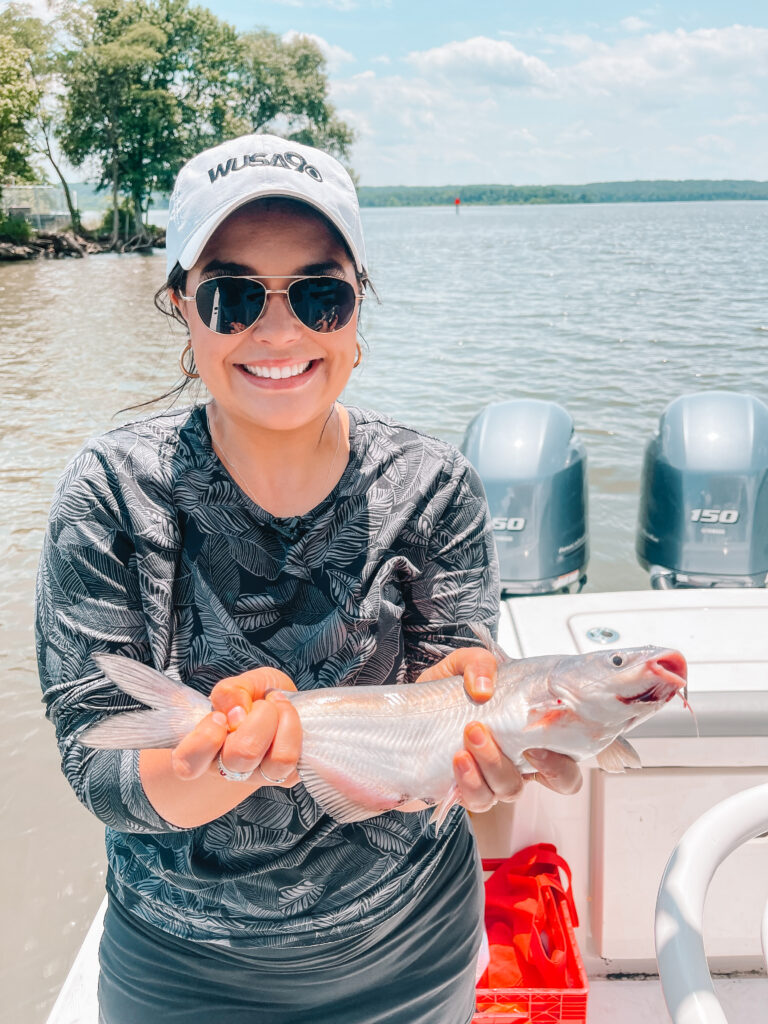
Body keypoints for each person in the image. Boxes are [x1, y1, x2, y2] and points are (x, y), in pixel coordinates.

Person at [35, 133, 582, 1024]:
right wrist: (226, 761)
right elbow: (99, 765)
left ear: (359, 305)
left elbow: (456, 690)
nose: (280, 331)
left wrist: (483, 750)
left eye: (321, 294)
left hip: (416, 952)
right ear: (183, 306)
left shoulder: (435, 483)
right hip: (184, 978)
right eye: (233, 293)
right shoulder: (108, 493)